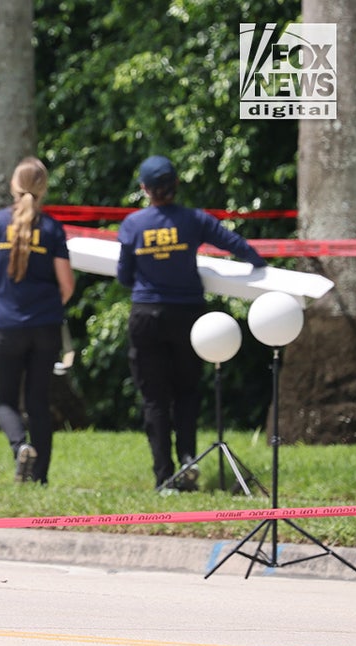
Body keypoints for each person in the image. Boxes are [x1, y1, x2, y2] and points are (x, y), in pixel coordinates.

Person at [117, 155, 267, 493]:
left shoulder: (133, 225)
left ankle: (164, 478)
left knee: (154, 399)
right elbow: (235, 245)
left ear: (145, 189)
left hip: (147, 317)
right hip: (188, 317)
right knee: (186, 392)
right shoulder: (194, 220)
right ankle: (187, 461)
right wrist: (261, 264)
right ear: (176, 185)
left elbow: (125, 277)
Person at [0, 157, 75, 485]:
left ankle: (20, 446)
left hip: (5, 327)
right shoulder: (52, 229)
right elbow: (67, 285)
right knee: (38, 401)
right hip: (45, 328)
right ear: (43, 188)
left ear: (13, 186)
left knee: (4, 400)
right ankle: (40, 479)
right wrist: (49, 307)